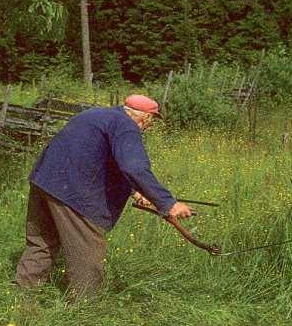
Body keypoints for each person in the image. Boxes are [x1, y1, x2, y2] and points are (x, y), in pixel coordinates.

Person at [13, 93, 193, 297]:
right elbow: (134, 167)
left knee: (42, 243)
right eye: (151, 120)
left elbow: (101, 157)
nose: (149, 126)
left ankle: (21, 298)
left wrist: (137, 193)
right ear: (144, 117)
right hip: (74, 193)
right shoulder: (127, 126)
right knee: (87, 257)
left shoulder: (97, 114)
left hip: (44, 180)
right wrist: (169, 203)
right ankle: (83, 313)